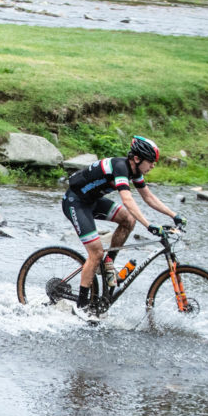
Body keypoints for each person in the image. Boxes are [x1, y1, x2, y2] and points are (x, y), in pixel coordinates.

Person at [61, 135, 186, 322]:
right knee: (96, 253)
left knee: (128, 220)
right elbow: (127, 200)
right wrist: (149, 225)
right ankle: (81, 305)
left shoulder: (135, 171)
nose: (153, 166)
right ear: (137, 159)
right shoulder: (120, 167)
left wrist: (173, 215)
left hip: (92, 201)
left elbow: (148, 197)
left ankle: (108, 263)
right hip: (75, 202)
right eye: (151, 161)